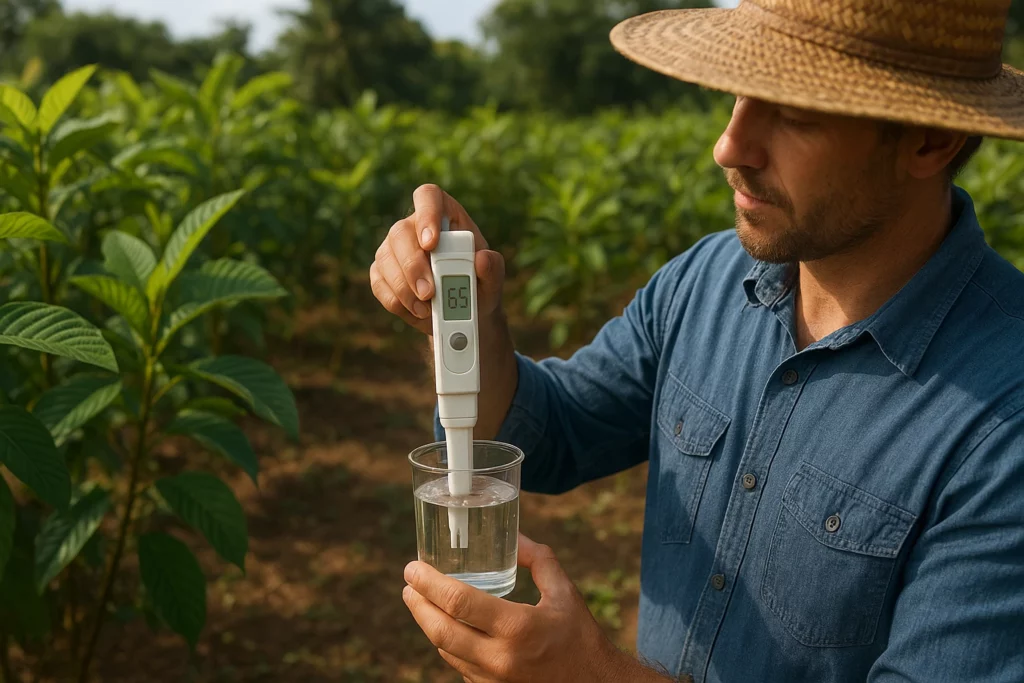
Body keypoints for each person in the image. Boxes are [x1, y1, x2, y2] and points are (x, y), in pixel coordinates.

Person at [370, 0, 1024, 681]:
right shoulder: (706, 281)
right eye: (737, 94)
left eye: (794, 112)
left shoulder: (1006, 423)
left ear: (928, 141)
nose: (729, 147)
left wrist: (592, 675)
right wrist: (469, 319)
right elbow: (550, 429)